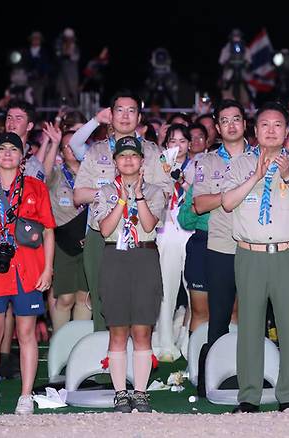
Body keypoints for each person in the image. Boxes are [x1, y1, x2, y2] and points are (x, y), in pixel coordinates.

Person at [221, 102, 289, 413]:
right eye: (265, 124)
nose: (272, 130)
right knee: (249, 326)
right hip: (251, 254)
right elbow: (226, 203)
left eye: (278, 125)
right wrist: (256, 176)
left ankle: (288, 396)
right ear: (255, 130)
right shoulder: (239, 164)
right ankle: (249, 395)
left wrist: (288, 177)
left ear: (286, 131)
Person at [73, 91, 170, 331]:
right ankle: (104, 362)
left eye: (131, 111)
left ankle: (133, 360)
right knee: (101, 300)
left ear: (139, 117)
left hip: (142, 236)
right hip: (104, 236)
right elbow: (78, 194)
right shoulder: (96, 151)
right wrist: (112, 194)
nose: (125, 116)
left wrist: (136, 196)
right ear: (111, 114)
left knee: (140, 304)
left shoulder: (153, 152)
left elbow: (165, 192)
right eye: (119, 110)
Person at [0, 132, 56, 415]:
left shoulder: (36, 188)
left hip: (29, 271)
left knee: (26, 333)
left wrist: (48, 268)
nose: (8, 153)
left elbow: (48, 230)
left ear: (22, 158)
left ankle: (25, 396)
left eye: (14, 149)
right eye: (3, 149)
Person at [92, 136, 165, 413]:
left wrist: (138, 196)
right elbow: (105, 229)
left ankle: (141, 392)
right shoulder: (105, 191)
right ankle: (121, 392)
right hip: (115, 258)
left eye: (133, 156)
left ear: (142, 161)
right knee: (118, 329)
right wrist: (122, 199)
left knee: (142, 329)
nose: (128, 160)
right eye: (122, 156)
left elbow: (147, 222)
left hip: (144, 256)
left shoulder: (156, 191)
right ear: (115, 162)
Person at [192, 100, 249, 396]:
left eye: (236, 119)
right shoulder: (207, 161)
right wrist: (230, 194)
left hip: (256, 246)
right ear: (217, 127)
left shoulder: (260, 156)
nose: (230, 125)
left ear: (244, 123)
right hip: (221, 246)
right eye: (224, 120)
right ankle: (212, 380)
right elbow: (200, 204)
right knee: (219, 316)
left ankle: (253, 375)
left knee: (254, 316)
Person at [41, 128, 90, 330]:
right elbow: (42, 174)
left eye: (75, 144)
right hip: (64, 243)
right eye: (66, 146)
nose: (71, 149)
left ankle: (79, 346)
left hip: (90, 241)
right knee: (66, 298)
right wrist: (53, 143)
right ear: (61, 152)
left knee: (84, 296)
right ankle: (61, 343)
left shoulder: (93, 173)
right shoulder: (56, 175)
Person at [155, 124, 196, 362]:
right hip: (167, 230)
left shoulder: (198, 165)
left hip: (190, 230)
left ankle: (189, 339)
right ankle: (164, 341)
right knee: (166, 288)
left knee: (194, 290)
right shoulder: (159, 165)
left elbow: (198, 194)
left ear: (189, 144)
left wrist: (181, 179)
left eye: (182, 140)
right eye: (172, 140)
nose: (177, 145)